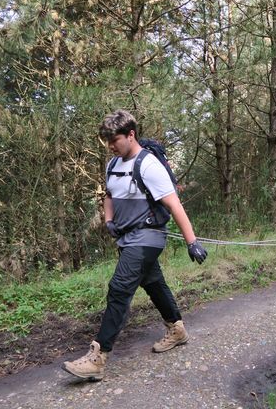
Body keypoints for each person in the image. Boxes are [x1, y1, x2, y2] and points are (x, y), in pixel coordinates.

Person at [62, 110, 208, 381]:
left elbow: (174, 204)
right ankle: (177, 329)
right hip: (127, 237)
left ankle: (98, 358)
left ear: (131, 135)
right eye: (106, 140)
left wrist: (192, 242)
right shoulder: (112, 164)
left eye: (114, 139)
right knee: (153, 283)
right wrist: (108, 221)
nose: (110, 145)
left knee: (119, 288)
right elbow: (108, 194)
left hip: (148, 237)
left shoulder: (149, 166)